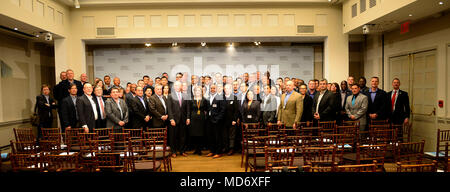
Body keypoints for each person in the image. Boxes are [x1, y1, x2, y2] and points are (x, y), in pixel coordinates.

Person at [167, 81, 190, 157]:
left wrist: (188, 118)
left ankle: (182, 151)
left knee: (183, 136)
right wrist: (171, 119)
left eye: (179, 85)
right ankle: (173, 151)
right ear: (174, 87)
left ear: (181, 87)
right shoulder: (170, 96)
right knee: (173, 136)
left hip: (183, 119)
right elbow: (169, 109)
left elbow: (188, 108)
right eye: (176, 85)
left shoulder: (185, 95)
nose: (177, 87)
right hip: (174, 119)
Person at [206, 84, 226, 158]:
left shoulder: (220, 97)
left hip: (217, 121)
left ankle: (218, 152)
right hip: (209, 120)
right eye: (211, 88)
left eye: (214, 88)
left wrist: (218, 119)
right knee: (211, 136)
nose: (212, 89)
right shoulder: (208, 97)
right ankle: (212, 151)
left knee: (218, 137)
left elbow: (223, 109)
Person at [187, 86, 208, 155]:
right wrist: (188, 118)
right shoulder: (191, 99)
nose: (198, 92)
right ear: (194, 92)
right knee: (194, 134)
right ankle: (196, 149)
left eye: (199, 90)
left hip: (201, 119)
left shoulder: (204, 100)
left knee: (201, 134)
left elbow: (206, 109)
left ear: (201, 92)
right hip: (193, 118)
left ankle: (199, 150)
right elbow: (189, 110)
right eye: (196, 90)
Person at [223, 84, 239, 156]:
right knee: (225, 135)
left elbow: (236, 110)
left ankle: (231, 149)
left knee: (231, 136)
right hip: (223, 120)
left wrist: (234, 120)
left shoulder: (234, 98)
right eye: (225, 88)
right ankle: (226, 148)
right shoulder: (222, 98)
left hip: (232, 120)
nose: (227, 90)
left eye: (228, 88)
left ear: (230, 89)